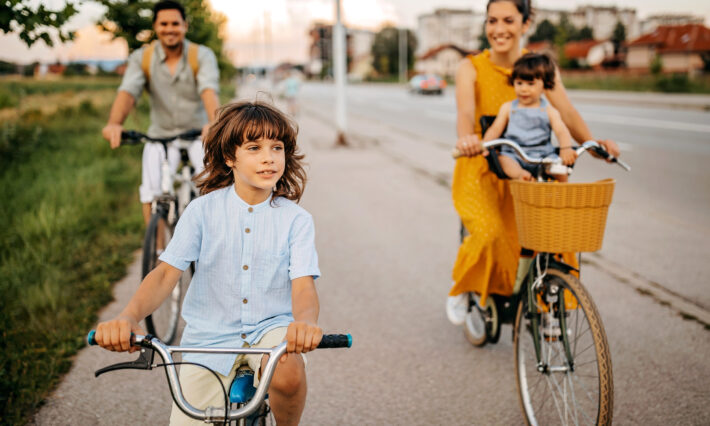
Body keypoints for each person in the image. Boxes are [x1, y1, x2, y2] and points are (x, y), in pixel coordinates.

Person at [93, 101, 322, 426]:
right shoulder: (201, 212)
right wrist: (128, 316)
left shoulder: (296, 220)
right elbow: (164, 275)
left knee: (288, 370)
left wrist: (306, 323)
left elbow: (303, 285)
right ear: (230, 157)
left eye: (277, 147)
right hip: (210, 337)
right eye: (254, 147)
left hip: (272, 330)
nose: (269, 157)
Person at [445, 0, 620, 325]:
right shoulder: (470, 67)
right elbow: (465, 112)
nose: (499, 29)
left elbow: (565, 113)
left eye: (508, 20)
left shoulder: (539, 67)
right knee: (489, 233)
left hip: (529, 166)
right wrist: (467, 138)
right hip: (482, 164)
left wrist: (594, 145)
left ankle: (550, 302)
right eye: (492, 20)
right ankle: (464, 288)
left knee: (555, 232)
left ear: (525, 24)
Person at [102, 0, 220, 225]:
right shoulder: (142, 58)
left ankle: (211, 243)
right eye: (163, 23)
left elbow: (208, 90)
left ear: (185, 25)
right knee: (151, 191)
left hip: (198, 134)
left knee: (213, 187)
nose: (169, 29)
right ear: (155, 27)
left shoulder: (201, 55)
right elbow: (128, 92)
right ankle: (157, 253)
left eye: (175, 23)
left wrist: (214, 122)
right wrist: (114, 123)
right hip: (160, 135)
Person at [483, 52, 576, 182]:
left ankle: (564, 191)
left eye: (530, 84)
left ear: (545, 84)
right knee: (503, 160)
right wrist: (486, 144)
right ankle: (521, 174)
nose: (523, 89)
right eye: (519, 83)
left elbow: (561, 131)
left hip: (543, 155)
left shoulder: (549, 110)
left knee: (559, 168)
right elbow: (495, 129)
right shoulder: (508, 107)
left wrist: (565, 148)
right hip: (514, 154)